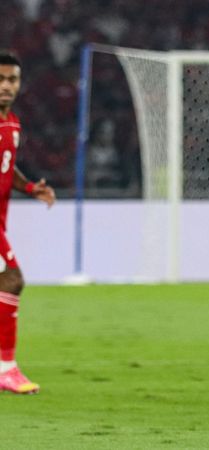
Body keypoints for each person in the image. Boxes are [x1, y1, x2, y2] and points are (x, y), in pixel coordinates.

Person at [0, 52, 56, 394]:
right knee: (12, 280)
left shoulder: (12, 123)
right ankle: (6, 369)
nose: (6, 86)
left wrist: (31, 187)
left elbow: (7, 166)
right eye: (0, 79)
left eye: (12, 79)